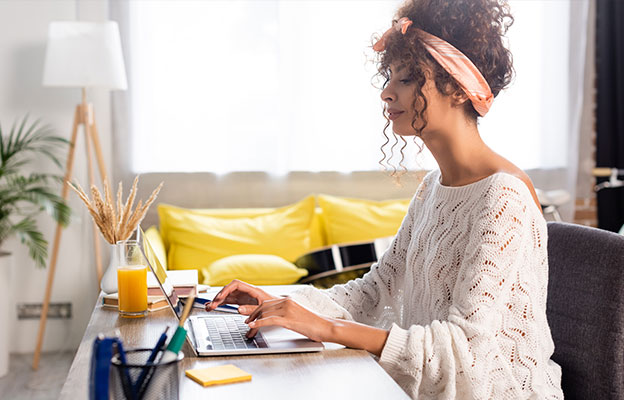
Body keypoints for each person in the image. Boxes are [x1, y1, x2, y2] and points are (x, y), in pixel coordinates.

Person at [207, 0, 563, 398]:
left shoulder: (503, 196)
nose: (387, 92)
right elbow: (375, 290)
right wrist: (282, 301)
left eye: (408, 79)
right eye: (389, 75)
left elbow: (464, 353)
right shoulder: (433, 187)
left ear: (460, 88)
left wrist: (326, 328)